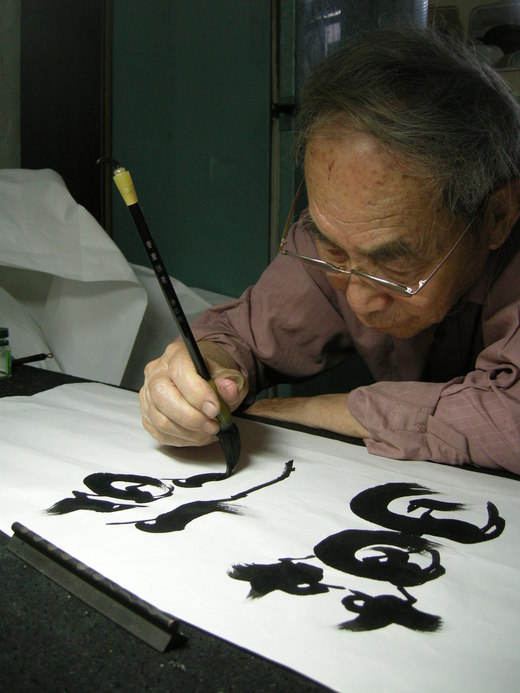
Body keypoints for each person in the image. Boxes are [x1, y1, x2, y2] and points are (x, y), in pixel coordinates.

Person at [139, 27, 520, 475]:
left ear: (497, 217)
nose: (357, 300)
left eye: (393, 261)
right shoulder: (341, 231)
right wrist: (202, 369)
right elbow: (243, 336)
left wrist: (329, 412)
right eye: (334, 251)